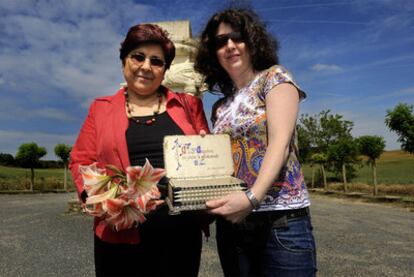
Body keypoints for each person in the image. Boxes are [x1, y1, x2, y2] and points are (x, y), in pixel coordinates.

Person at [70, 23, 209, 276]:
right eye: (138, 57)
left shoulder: (189, 106)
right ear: (124, 61)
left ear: (164, 70)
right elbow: (81, 159)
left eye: (156, 61)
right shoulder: (100, 109)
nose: (146, 66)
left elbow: (208, 158)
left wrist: (206, 152)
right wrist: (102, 200)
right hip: (119, 236)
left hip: (180, 235)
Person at [194, 8, 317, 276]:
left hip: (280, 223)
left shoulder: (274, 78)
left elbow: (280, 144)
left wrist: (252, 198)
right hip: (233, 227)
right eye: (220, 42)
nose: (229, 45)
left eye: (237, 37)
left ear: (252, 41)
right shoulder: (219, 107)